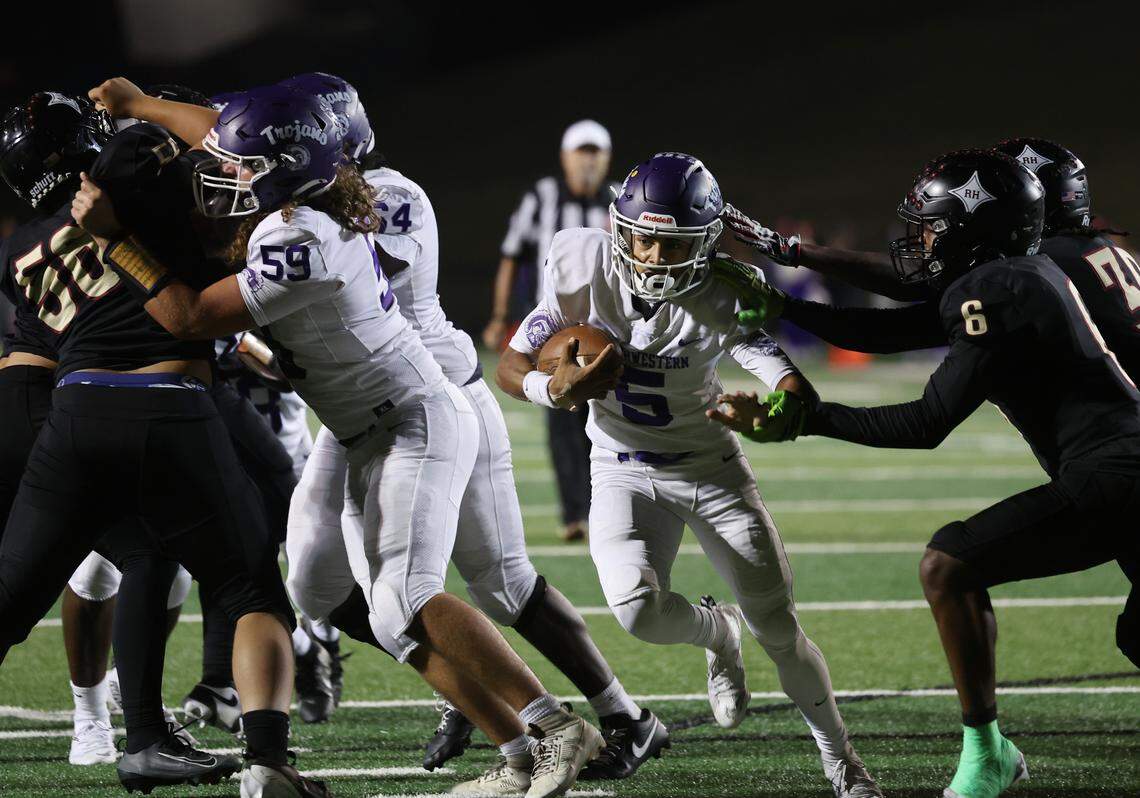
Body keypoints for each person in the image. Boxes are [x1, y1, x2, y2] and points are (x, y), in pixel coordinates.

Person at [74, 80, 604, 798]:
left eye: (246, 165)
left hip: (411, 418)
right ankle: (514, 754)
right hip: (354, 428)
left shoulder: (302, 238)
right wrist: (140, 107)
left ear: (290, 169)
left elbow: (191, 315)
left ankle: (555, 727)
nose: (227, 168)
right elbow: (226, 133)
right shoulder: (306, 195)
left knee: (407, 597)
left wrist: (114, 241)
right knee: (319, 588)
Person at [275, 71, 666, 783]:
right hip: (349, 416)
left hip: (432, 395)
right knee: (311, 579)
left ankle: (621, 716)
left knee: (500, 582)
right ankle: (472, 675)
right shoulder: (285, 217)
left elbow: (333, 278)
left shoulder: (387, 198)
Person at [711, 149, 1140, 798]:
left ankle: (985, 754)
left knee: (948, 563)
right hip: (1118, 466)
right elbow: (900, 326)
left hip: (1119, 474)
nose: (922, 241)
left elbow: (925, 421)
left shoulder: (1010, 283)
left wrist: (809, 419)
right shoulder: (1034, 272)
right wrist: (784, 300)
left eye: (935, 225)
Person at [496, 151, 883, 798]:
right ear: (617, 228)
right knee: (637, 612)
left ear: (702, 244)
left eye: (668, 243)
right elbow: (512, 362)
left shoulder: (723, 289)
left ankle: (842, 760)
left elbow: (784, 376)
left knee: (782, 633)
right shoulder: (578, 261)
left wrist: (781, 404)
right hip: (619, 465)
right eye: (639, 237)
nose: (649, 255)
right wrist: (551, 389)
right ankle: (716, 633)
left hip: (709, 469)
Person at [0, 91, 240, 789]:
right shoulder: (126, 173)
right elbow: (220, 145)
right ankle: (140, 735)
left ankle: (135, 732)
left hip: (17, 404)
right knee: (146, 547)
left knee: (15, 593)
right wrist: (151, 107)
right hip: (66, 407)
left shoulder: (19, 244)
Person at [484, 120, 615, 542]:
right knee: (561, 416)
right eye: (582, 151)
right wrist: (501, 314)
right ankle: (574, 513)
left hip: (604, 322)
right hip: (550, 322)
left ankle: (604, 508)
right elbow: (511, 255)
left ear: (607, 157)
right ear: (565, 157)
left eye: (596, 151)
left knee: (605, 414)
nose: (589, 160)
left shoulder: (619, 203)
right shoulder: (542, 198)